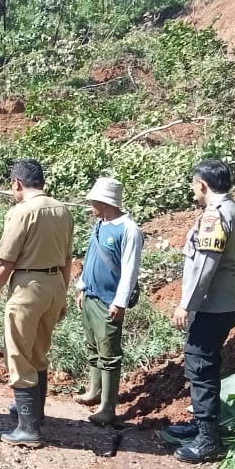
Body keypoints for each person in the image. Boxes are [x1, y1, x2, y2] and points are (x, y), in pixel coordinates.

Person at [0, 159, 73, 447]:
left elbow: (5, 262)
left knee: (18, 355)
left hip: (28, 288)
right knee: (39, 352)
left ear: (17, 183)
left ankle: (28, 429)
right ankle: (35, 414)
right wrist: (63, 294)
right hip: (55, 284)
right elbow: (69, 259)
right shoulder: (63, 210)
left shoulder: (21, 213)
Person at [166, 159, 235, 463]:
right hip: (227, 301)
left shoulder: (214, 217)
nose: (193, 190)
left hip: (212, 305)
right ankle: (201, 425)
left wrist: (186, 304)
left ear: (201, 184)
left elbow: (204, 267)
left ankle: (207, 440)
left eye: (193, 185)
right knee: (204, 363)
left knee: (200, 366)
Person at [74, 177, 144, 425]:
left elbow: (130, 270)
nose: (90, 205)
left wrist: (120, 302)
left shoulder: (128, 230)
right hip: (92, 295)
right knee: (93, 346)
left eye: (94, 201)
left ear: (105, 202)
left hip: (108, 301)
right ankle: (94, 391)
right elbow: (90, 257)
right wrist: (82, 287)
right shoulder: (100, 225)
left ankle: (107, 407)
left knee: (109, 354)